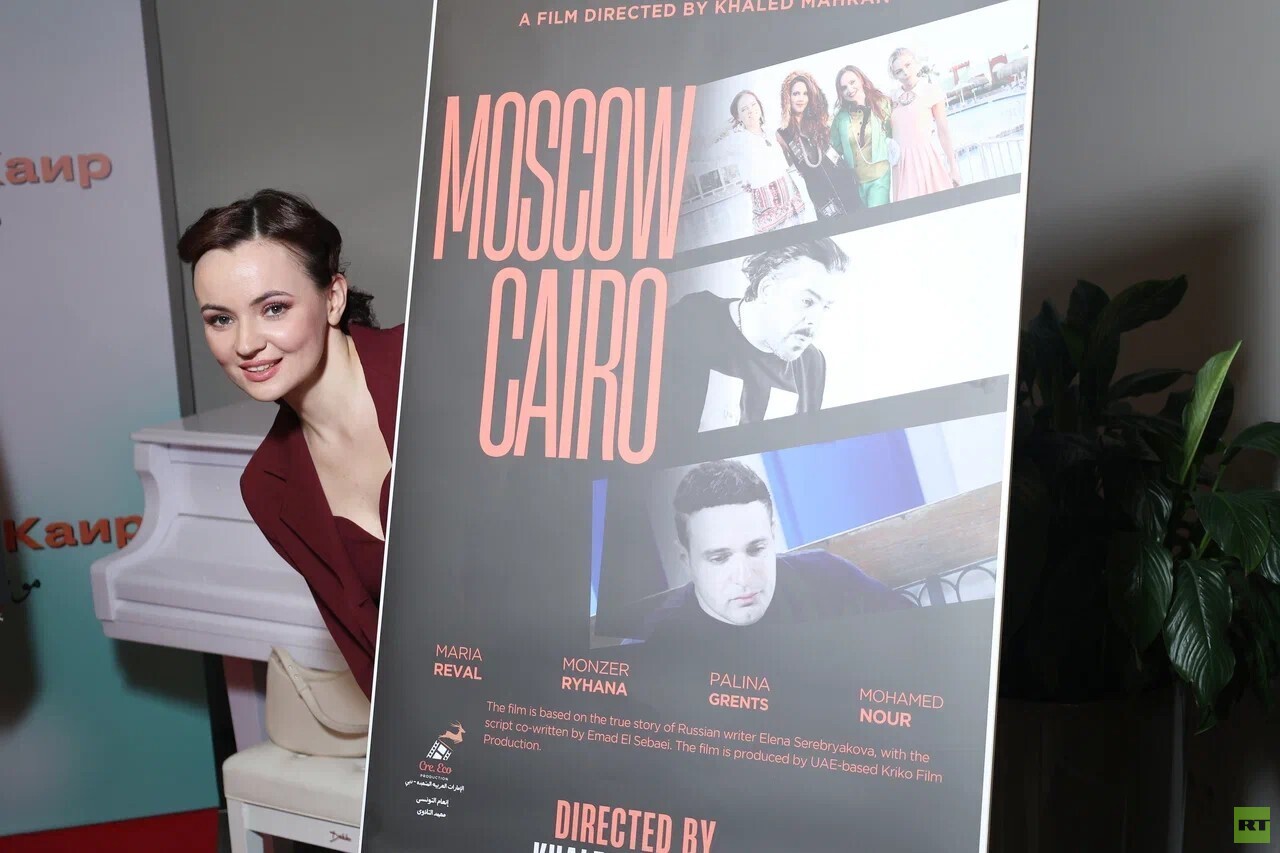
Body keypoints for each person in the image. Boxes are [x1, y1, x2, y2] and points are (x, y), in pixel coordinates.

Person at [177, 189, 401, 698]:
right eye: (220, 319)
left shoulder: (433, 362)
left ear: (333, 298)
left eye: (273, 308)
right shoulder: (266, 487)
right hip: (453, 720)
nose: (245, 344)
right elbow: (371, 658)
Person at [643, 460, 911, 643]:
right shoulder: (662, 642)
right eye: (720, 558)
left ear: (772, 535)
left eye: (756, 549)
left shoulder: (826, 576)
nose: (744, 578)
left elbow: (914, 635)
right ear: (686, 560)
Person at [660, 238, 849, 437]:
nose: (815, 323)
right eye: (807, 301)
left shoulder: (811, 363)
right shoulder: (690, 320)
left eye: (825, 307)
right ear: (766, 290)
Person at [775, 71, 861, 219]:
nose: (801, 98)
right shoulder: (782, 134)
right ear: (787, 97)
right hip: (822, 199)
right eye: (796, 94)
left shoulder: (822, 120)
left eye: (805, 93)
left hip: (846, 185)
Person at [719, 90, 807, 233]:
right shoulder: (737, 140)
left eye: (753, 104)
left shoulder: (770, 131)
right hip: (769, 213)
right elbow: (701, 154)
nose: (751, 110)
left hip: (793, 202)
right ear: (738, 116)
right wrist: (726, 125)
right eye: (744, 109)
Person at [887, 47, 961, 201]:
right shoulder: (891, 98)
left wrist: (953, 167)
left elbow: (943, 132)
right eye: (899, 71)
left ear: (915, 63)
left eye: (908, 65)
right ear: (894, 75)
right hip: (901, 166)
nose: (905, 72)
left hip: (926, 161)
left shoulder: (931, 91)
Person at [830, 65, 894, 208]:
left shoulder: (882, 103)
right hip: (855, 183)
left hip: (879, 177)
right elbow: (834, 150)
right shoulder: (840, 118)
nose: (849, 89)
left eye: (852, 82)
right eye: (843, 88)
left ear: (861, 80)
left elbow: (895, 133)